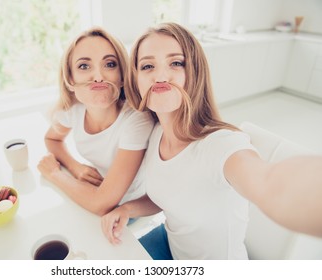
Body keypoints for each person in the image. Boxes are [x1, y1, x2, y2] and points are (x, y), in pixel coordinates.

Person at [101, 22, 322, 260]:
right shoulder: (154, 133)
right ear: (136, 81)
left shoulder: (223, 145)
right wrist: (128, 208)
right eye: (147, 66)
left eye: (176, 63)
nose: (160, 76)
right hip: (170, 241)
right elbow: (166, 196)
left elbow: (270, 184)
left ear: (196, 73)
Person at [37, 27, 154, 216]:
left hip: (126, 206)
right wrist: (76, 167)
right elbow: (52, 139)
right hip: (92, 193)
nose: (99, 77)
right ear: (70, 80)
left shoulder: (136, 121)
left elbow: (102, 204)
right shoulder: (74, 109)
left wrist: (54, 174)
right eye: (84, 66)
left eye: (109, 64)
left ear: (122, 76)